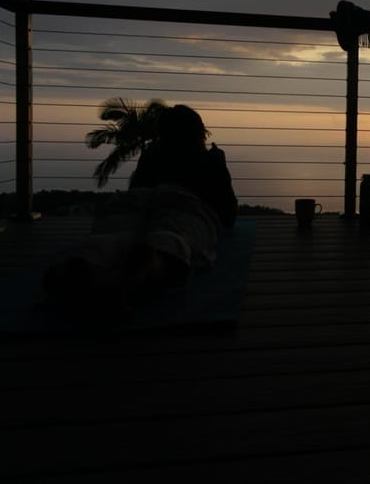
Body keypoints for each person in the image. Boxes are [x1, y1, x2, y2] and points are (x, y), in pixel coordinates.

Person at [42, 104, 238, 324]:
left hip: (136, 198)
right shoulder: (210, 159)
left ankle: (83, 264)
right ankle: (145, 269)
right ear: (199, 132)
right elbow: (227, 212)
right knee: (174, 237)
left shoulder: (152, 154)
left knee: (113, 235)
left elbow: (136, 187)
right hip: (184, 202)